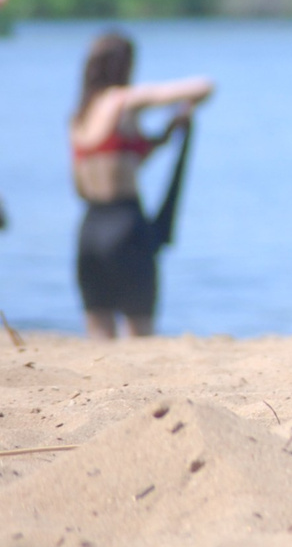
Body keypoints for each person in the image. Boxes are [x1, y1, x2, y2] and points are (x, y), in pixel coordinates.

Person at [68, 30, 212, 339]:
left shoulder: (78, 117)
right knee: (140, 330)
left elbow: (92, 177)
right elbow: (202, 86)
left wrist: (163, 135)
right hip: (126, 226)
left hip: (90, 229)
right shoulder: (123, 100)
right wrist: (190, 102)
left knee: (98, 330)